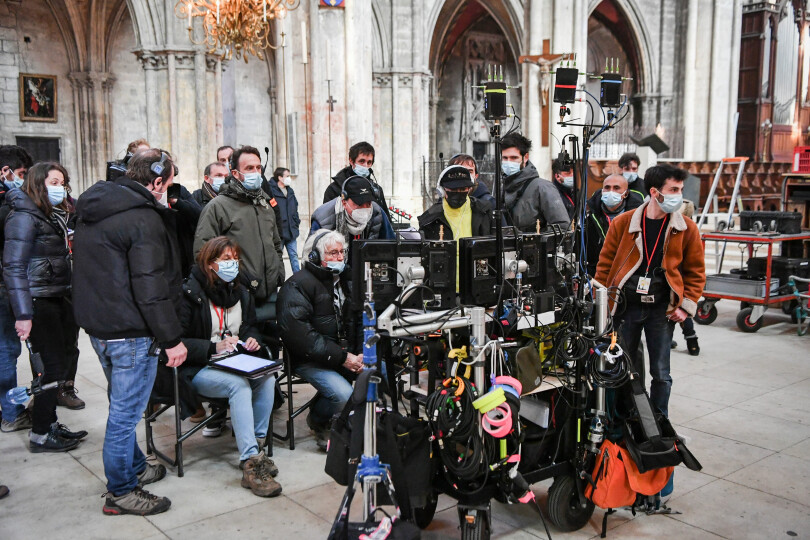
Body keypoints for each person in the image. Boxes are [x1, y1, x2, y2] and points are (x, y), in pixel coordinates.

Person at [73, 149, 188, 516]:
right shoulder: (142, 219)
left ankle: (135, 465)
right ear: (156, 182)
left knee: (122, 405)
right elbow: (149, 284)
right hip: (132, 331)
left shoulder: (95, 207)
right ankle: (122, 490)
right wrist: (171, 338)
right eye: (168, 185)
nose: (168, 192)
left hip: (101, 326)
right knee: (125, 413)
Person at [594, 164, 705, 418]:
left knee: (661, 373)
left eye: (680, 189)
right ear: (655, 192)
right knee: (622, 366)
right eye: (673, 189)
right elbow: (604, 265)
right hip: (627, 307)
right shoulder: (624, 223)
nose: (679, 195)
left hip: (661, 309)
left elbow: (696, 272)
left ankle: (659, 424)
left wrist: (687, 305)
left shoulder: (686, 228)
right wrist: (602, 305)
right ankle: (625, 421)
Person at [179, 237, 282, 497]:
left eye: (235, 259)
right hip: (200, 367)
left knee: (268, 378)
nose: (233, 264)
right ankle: (250, 462)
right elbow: (177, 341)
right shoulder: (190, 293)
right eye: (226, 260)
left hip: (236, 361)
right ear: (209, 263)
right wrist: (214, 347)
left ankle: (257, 447)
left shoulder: (241, 291)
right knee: (239, 386)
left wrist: (252, 339)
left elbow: (250, 326)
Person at [3, 162, 86, 452]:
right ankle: (40, 432)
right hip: (37, 299)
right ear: (38, 184)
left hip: (55, 294)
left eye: (62, 182)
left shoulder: (49, 215)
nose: (60, 187)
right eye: (53, 181)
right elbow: (13, 267)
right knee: (49, 367)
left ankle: (49, 424)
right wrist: (24, 313)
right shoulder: (23, 217)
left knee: (58, 365)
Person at [277, 230, 363, 449]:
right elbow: (302, 338)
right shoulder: (296, 285)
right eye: (332, 253)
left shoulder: (348, 280)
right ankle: (318, 420)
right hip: (309, 358)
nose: (339, 258)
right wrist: (343, 358)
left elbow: (361, 319)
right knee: (344, 394)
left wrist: (362, 351)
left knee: (378, 372)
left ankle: (355, 423)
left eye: (341, 252)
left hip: (343, 353)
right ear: (315, 256)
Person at [195, 146, 285, 321]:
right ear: (235, 173)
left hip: (270, 295)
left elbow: (275, 244)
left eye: (258, 168)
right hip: (237, 297)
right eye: (249, 168)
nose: (256, 172)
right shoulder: (218, 207)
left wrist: (278, 273)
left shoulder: (265, 205)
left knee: (272, 345)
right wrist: (228, 283)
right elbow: (203, 252)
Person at [0, 146, 33, 433]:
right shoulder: (7, 205)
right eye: (20, 175)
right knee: (5, 351)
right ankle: (11, 413)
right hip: (2, 289)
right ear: (5, 173)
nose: (21, 181)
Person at [501, 133, 569, 231]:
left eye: (514, 158)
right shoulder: (501, 188)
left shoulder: (543, 188)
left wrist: (533, 240)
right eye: (505, 158)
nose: (509, 162)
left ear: (526, 157)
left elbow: (562, 227)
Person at [310, 176, 395, 249]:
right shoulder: (322, 218)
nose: (364, 209)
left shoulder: (377, 212)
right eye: (359, 204)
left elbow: (391, 245)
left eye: (368, 203)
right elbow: (309, 257)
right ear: (344, 202)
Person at [584, 174, 643, 276]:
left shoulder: (637, 217)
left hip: (628, 274)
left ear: (625, 194)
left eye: (616, 188)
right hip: (597, 274)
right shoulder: (590, 217)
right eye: (607, 188)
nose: (611, 191)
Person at [323, 141, 393, 223]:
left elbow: (386, 221)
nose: (365, 165)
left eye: (369, 162)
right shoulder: (334, 189)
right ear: (351, 161)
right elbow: (326, 221)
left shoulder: (376, 190)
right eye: (361, 161)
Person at [669, 199, 700, 356]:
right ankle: (691, 339)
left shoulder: (686, 229)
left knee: (677, 310)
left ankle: (685, 339)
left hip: (676, 277)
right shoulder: (690, 227)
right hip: (679, 277)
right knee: (681, 310)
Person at [268, 167, 301, 273]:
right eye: (287, 176)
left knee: (294, 257)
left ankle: (298, 280)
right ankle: (277, 280)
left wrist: (296, 222)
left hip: (291, 231)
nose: (289, 178)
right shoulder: (271, 192)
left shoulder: (290, 191)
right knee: (277, 258)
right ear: (280, 178)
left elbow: (294, 208)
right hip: (279, 232)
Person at [551, 156, 576, 221]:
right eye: (568, 173)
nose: (572, 176)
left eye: (574, 173)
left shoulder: (576, 192)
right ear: (557, 176)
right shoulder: (552, 194)